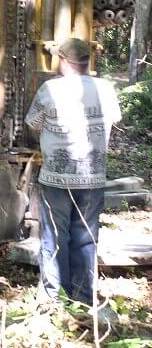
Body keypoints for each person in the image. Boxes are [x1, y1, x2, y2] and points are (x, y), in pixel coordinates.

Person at [25, 38, 121, 305]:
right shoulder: (105, 89)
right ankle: (82, 297)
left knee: (55, 235)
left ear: (65, 62)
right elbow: (114, 119)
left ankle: (53, 297)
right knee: (86, 237)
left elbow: (32, 123)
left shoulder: (50, 89)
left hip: (57, 178)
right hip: (93, 177)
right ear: (87, 62)